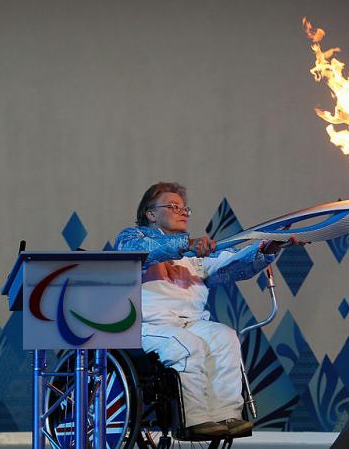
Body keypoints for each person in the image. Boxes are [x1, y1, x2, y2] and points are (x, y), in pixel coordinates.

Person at [115, 182, 296, 438]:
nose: (182, 212)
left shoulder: (195, 253)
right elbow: (136, 252)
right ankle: (194, 420)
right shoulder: (132, 238)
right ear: (151, 214)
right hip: (148, 328)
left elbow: (233, 264)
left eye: (184, 208)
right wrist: (186, 244)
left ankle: (227, 415)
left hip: (191, 323)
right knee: (187, 344)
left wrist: (270, 247)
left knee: (225, 337)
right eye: (173, 206)